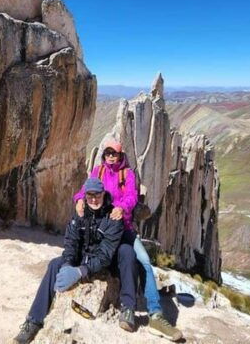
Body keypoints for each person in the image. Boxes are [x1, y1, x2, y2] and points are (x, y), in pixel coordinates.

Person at [73, 139, 183, 342]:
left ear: (120, 154)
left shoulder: (127, 174)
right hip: (99, 228)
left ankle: (155, 314)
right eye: (107, 153)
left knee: (143, 261)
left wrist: (121, 208)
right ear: (103, 155)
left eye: (114, 153)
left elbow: (132, 197)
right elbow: (84, 189)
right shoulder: (98, 171)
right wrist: (79, 199)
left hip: (122, 227)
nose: (110, 157)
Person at [13, 178, 139, 344]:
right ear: (85, 196)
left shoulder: (113, 218)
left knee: (127, 252)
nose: (94, 199)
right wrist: (67, 266)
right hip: (85, 258)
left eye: (97, 195)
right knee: (54, 264)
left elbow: (105, 255)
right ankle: (33, 321)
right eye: (90, 195)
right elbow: (70, 244)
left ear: (104, 195)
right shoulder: (78, 215)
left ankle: (128, 308)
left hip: (107, 263)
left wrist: (81, 271)